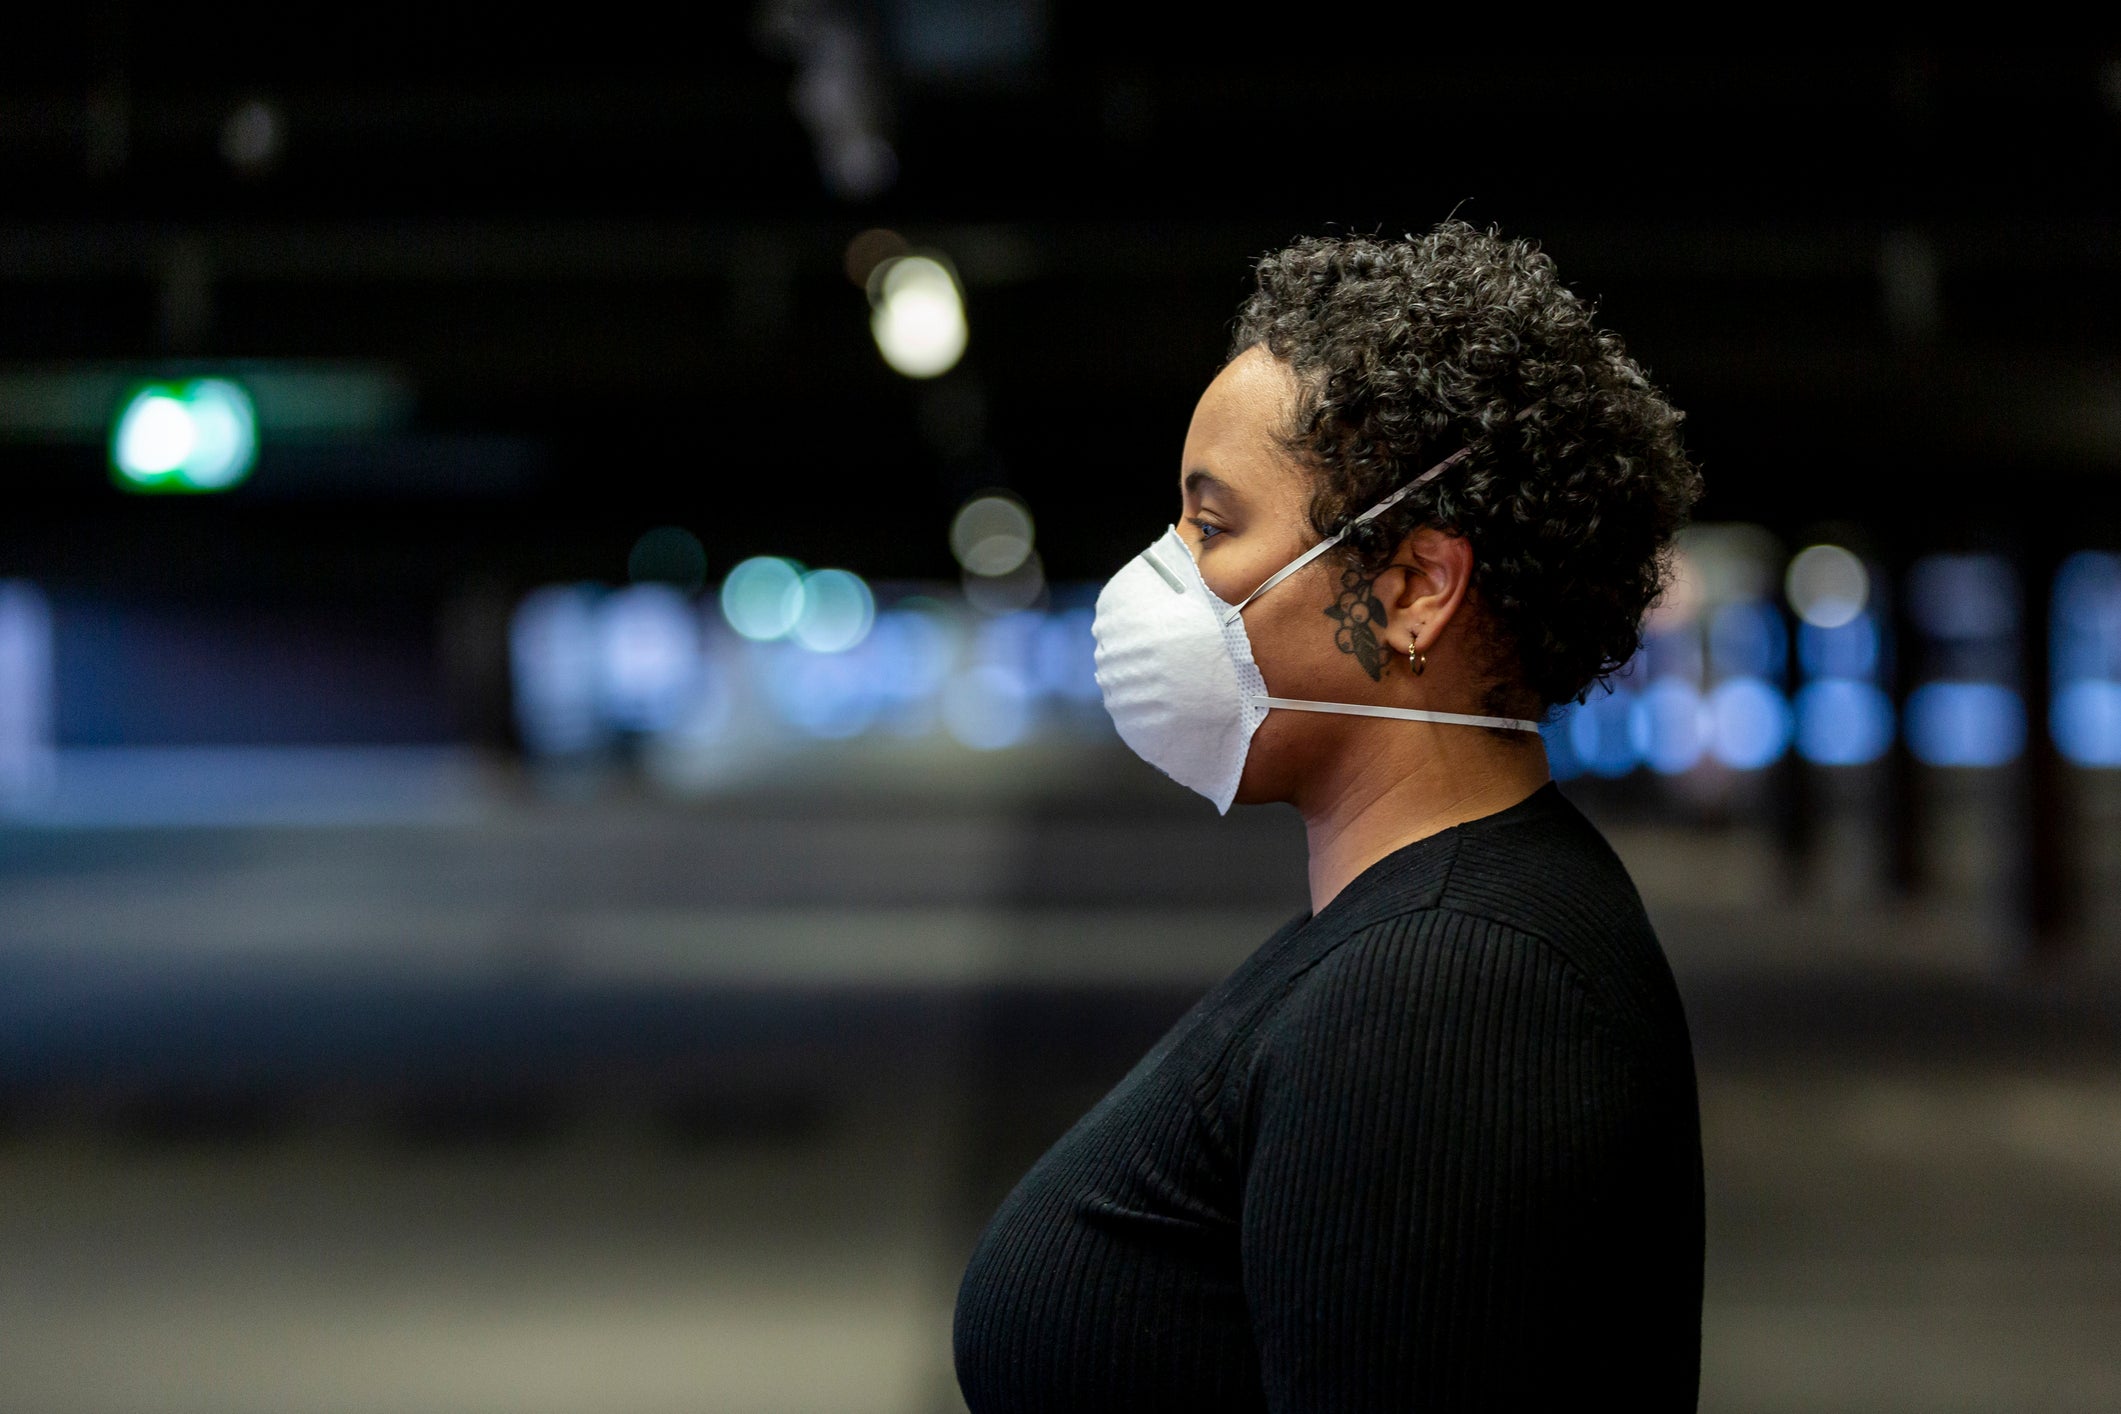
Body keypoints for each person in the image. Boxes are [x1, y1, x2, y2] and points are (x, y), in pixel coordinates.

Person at [952, 221, 1707, 1411]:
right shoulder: (1421, 929)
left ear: (1414, 588)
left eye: (1213, 526)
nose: (1166, 577)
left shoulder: (1451, 992)